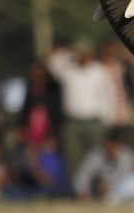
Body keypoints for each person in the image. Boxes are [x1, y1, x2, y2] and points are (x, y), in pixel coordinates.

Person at [48, 43, 115, 176]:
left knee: (97, 156)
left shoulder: (98, 70)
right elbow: (52, 65)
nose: (83, 56)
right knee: (73, 157)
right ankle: (76, 186)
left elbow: (107, 95)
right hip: (73, 121)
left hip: (94, 121)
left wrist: (107, 120)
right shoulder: (68, 70)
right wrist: (68, 53)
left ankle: (96, 184)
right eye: (80, 52)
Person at [73, 128, 134, 201]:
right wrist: (83, 191)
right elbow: (83, 175)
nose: (111, 149)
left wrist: (110, 187)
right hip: (98, 191)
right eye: (108, 145)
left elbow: (128, 179)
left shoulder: (127, 155)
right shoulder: (96, 154)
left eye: (114, 146)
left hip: (122, 191)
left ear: (119, 145)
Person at [19, 61, 63, 149]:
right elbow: (25, 108)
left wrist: (57, 126)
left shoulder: (53, 87)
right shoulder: (30, 87)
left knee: (49, 149)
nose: (37, 74)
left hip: (49, 123)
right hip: (33, 123)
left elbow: (57, 107)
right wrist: (22, 125)